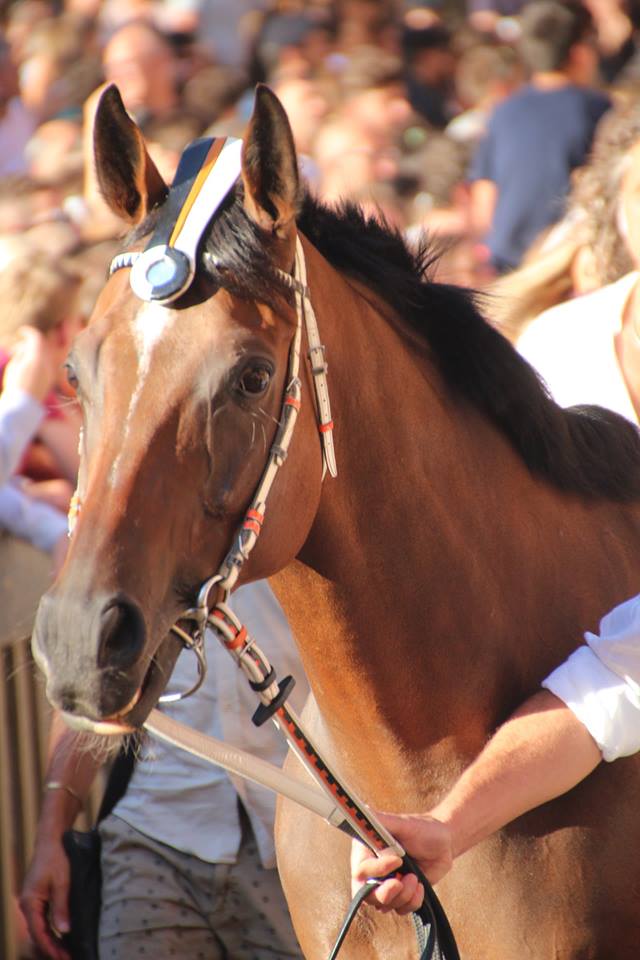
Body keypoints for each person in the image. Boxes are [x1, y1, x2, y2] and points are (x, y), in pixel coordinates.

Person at [21, 579, 308, 960]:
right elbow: (91, 682)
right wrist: (50, 838)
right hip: (153, 837)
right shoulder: (141, 530)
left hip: (293, 844)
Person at [468, 0, 611, 274]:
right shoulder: (596, 110)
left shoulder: (503, 111)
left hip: (504, 265)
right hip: (564, 265)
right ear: (580, 52)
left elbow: (483, 200)